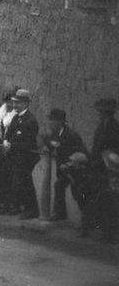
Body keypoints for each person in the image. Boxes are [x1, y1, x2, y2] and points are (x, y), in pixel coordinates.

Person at [0, 89, 39, 218]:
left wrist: (11, 145)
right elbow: (9, 134)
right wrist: (5, 141)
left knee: (25, 183)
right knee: (9, 181)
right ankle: (11, 206)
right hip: (13, 156)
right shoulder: (16, 117)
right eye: (14, 102)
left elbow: (28, 143)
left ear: (26, 104)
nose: (15, 105)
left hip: (25, 158)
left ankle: (32, 210)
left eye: (18, 103)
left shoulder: (30, 121)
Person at [43, 108, 86, 221]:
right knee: (59, 186)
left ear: (60, 122)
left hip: (76, 170)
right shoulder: (54, 134)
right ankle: (61, 215)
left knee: (78, 194)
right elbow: (48, 141)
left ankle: (87, 220)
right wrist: (49, 146)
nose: (50, 123)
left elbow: (80, 154)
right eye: (50, 120)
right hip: (64, 170)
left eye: (53, 120)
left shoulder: (71, 135)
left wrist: (69, 164)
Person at [90, 97, 119, 243]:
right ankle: (105, 231)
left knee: (109, 201)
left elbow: (111, 151)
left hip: (108, 170)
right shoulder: (102, 126)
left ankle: (110, 233)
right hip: (100, 168)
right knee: (103, 200)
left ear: (106, 113)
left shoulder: (113, 128)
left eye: (101, 111)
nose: (99, 114)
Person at [0, 88, 19, 211]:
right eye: (7, 101)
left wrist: (3, 141)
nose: (9, 104)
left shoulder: (15, 114)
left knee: (9, 175)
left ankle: (9, 202)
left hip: (9, 146)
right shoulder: (2, 111)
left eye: (10, 102)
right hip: (1, 144)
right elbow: (0, 129)